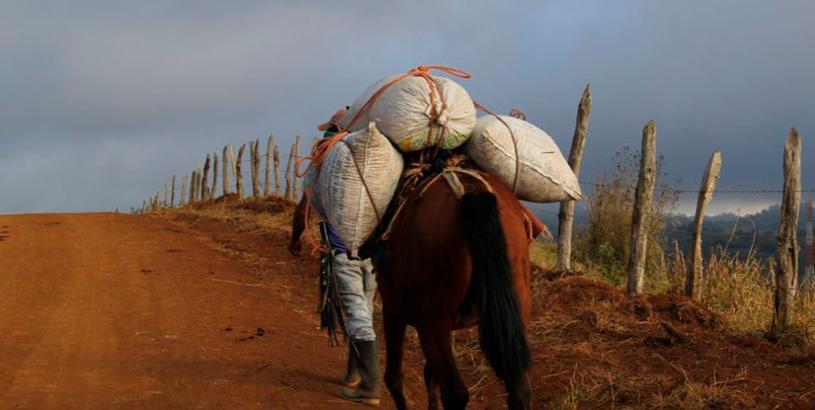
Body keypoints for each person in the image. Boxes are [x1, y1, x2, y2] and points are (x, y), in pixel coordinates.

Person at [289, 106, 381, 406]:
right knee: (365, 309)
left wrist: (295, 239)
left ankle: (369, 386)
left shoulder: (327, 162)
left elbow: (304, 209)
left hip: (343, 251)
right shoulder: (377, 160)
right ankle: (353, 373)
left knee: (355, 312)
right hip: (375, 253)